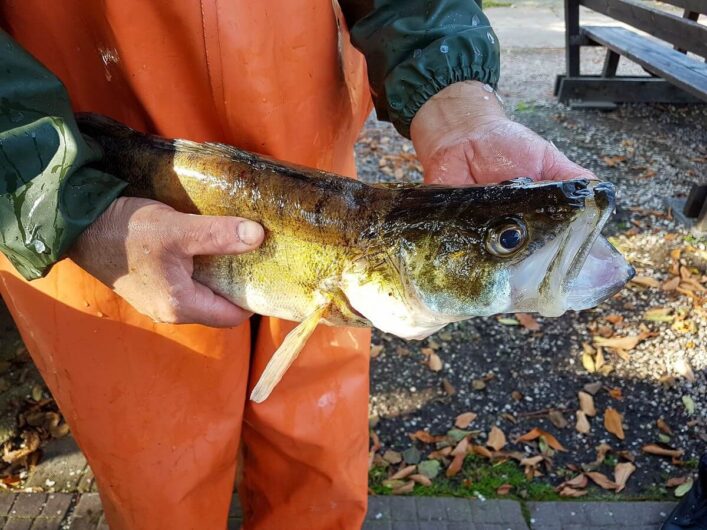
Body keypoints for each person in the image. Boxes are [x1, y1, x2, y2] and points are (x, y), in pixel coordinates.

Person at [0, 1, 595, 529]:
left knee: (318, 460)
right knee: (156, 465)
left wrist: (459, 104)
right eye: (508, 239)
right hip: (94, 199)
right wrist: (64, 203)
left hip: (316, 172)